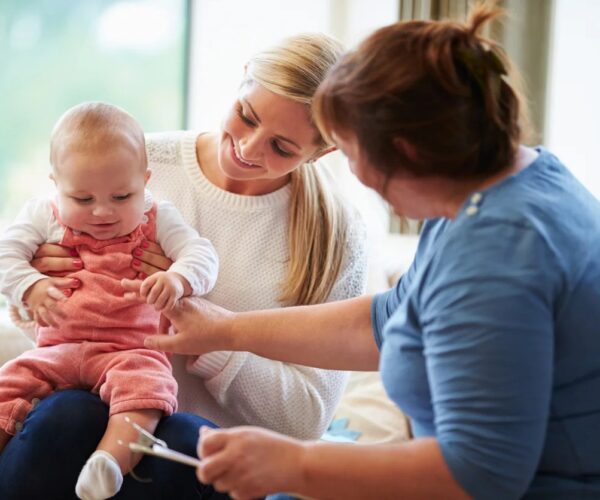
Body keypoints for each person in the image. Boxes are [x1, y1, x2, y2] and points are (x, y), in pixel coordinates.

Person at [137, 4, 600, 500]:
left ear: (408, 154)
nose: (354, 174)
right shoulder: (510, 182)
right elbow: (391, 318)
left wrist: (296, 464)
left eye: (351, 153)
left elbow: (480, 473)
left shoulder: (500, 254)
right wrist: (224, 330)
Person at [0, 34, 368, 499]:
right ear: (242, 77)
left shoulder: (335, 236)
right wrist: (35, 288)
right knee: (64, 415)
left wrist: (215, 336)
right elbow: (58, 330)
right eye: (247, 116)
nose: (249, 149)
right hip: (82, 423)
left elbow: (307, 419)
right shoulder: (130, 160)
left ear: (322, 152)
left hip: (202, 460)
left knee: (193, 441)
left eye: (282, 146)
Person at [0, 102, 219, 500]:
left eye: (121, 196)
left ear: (145, 181)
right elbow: (4, 255)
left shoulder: (158, 217)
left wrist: (179, 278)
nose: (102, 212)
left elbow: (202, 255)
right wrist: (28, 285)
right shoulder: (43, 215)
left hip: (128, 349)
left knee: (147, 389)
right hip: (55, 349)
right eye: (82, 199)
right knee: (8, 385)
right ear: (55, 184)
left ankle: (108, 464)